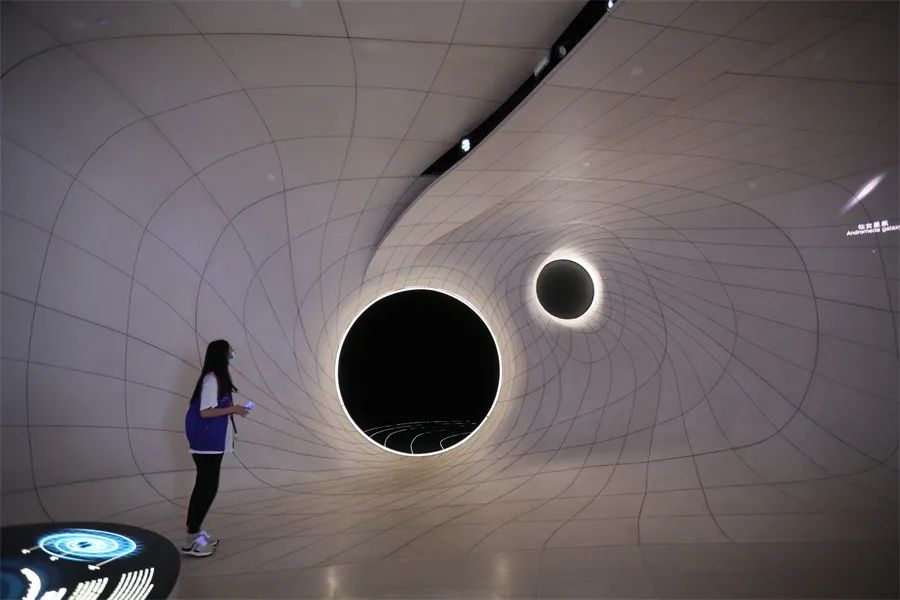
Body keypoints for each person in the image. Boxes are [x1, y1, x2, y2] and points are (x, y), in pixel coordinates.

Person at [182, 339, 250, 557]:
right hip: (206, 443)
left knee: (207, 488)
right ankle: (191, 539)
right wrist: (233, 409)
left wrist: (234, 410)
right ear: (222, 354)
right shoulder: (212, 379)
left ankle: (195, 533)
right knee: (205, 489)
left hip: (212, 444)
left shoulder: (217, 378)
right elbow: (205, 412)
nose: (233, 352)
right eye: (230, 350)